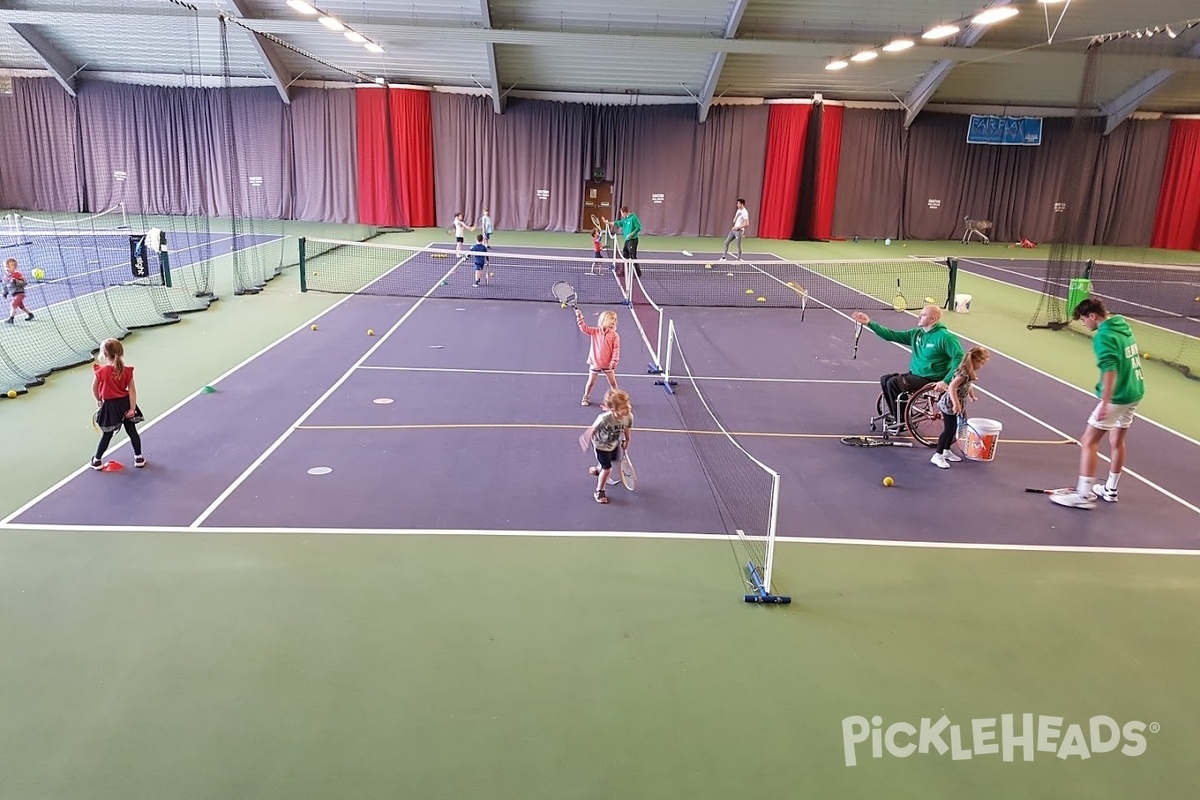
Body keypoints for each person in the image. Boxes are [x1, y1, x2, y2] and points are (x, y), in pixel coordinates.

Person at [1051, 298, 1146, 509]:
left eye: (1084, 319)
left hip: (1117, 397)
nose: (1084, 324)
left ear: (1093, 316)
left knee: (1088, 441)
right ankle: (1110, 489)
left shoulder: (1104, 337)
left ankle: (1083, 495)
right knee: (1117, 440)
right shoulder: (1122, 326)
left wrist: (1105, 403)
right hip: (1135, 392)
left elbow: (1110, 370)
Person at [851, 305, 964, 434]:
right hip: (916, 375)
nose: (919, 317)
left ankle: (902, 420)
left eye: (923, 315)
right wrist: (869, 323)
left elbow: (959, 358)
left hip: (932, 379)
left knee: (893, 383)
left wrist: (946, 381)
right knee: (885, 379)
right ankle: (898, 415)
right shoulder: (916, 333)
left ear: (933, 318)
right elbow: (891, 335)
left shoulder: (945, 337)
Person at [931, 346, 990, 469]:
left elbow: (968, 386)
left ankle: (946, 450)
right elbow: (952, 387)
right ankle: (937, 454)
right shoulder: (963, 373)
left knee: (953, 430)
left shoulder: (969, 372)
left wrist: (972, 396)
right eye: (982, 363)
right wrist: (956, 404)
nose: (982, 366)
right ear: (975, 360)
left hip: (957, 403)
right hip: (949, 405)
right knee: (948, 430)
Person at [91, 338, 145, 470]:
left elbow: (94, 389)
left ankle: (97, 461)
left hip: (110, 406)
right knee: (132, 431)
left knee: (107, 434)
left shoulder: (101, 371)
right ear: (121, 352)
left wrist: (99, 399)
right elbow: (132, 390)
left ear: (104, 354)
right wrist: (132, 408)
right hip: (125, 404)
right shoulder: (127, 371)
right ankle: (139, 458)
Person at [585, 388, 633, 504]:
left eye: (628, 404)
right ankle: (599, 491)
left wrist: (627, 439)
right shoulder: (604, 418)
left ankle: (598, 470)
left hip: (613, 443)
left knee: (608, 462)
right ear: (613, 409)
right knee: (608, 468)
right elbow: (592, 430)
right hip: (600, 446)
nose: (628, 408)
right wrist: (585, 440)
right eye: (623, 407)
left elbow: (626, 428)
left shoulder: (628, 416)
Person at [575, 308, 620, 406]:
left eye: (615, 319)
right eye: (612, 319)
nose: (614, 321)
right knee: (591, 382)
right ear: (604, 320)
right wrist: (579, 318)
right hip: (595, 363)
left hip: (608, 364)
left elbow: (616, 350)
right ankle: (586, 397)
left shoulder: (615, 336)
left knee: (613, 383)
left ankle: (617, 400)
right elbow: (584, 328)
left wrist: (614, 362)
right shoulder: (595, 332)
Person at [606, 206, 642, 276]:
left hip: (633, 240)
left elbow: (639, 227)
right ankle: (624, 271)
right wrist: (607, 223)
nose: (621, 215)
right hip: (627, 240)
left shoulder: (633, 218)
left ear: (625, 212)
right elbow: (617, 223)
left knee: (632, 256)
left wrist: (632, 233)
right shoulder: (625, 220)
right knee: (625, 255)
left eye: (622, 213)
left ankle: (637, 272)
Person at [2, 258, 35, 324]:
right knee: (21, 307)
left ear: (15, 267)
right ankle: (30, 314)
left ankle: (11, 319)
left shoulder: (18, 274)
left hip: (20, 293)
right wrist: (4, 293)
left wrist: (16, 281)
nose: (8, 268)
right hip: (13, 294)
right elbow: (5, 286)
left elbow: (24, 282)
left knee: (13, 304)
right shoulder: (5, 276)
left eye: (11, 266)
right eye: (6, 266)